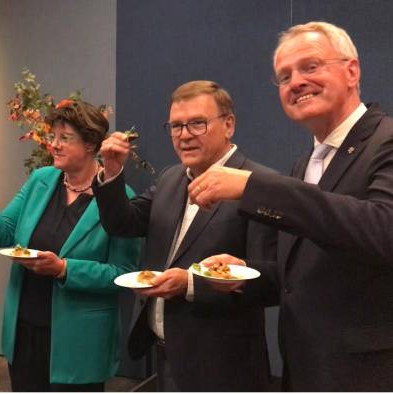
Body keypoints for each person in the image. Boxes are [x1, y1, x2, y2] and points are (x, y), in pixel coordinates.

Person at [188, 21, 393, 391]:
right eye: (284, 77)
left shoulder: (386, 141)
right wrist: (243, 276)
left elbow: (382, 231)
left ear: (352, 70)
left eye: (310, 66)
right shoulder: (305, 165)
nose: (295, 82)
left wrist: (256, 186)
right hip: (304, 369)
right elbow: (299, 278)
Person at [93, 80, 277, 391]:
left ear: (228, 125)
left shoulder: (259, 185)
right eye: (176, 126)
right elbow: (123, 223)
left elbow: (272, 282)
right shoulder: (171, 177)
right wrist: (111, 173)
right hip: (165, 354)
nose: (184, 135)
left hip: (223, 366)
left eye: (197, 124)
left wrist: (191, 283)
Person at [0, 100, 141, 391]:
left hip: (79, 340)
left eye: (65, 138)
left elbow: (123, 273)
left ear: (92, 144)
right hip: (25, 329)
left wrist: (64, 269)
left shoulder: (120, 198)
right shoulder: (41, 180)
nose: (54, 145)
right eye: (53, 136)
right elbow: (3, 235)